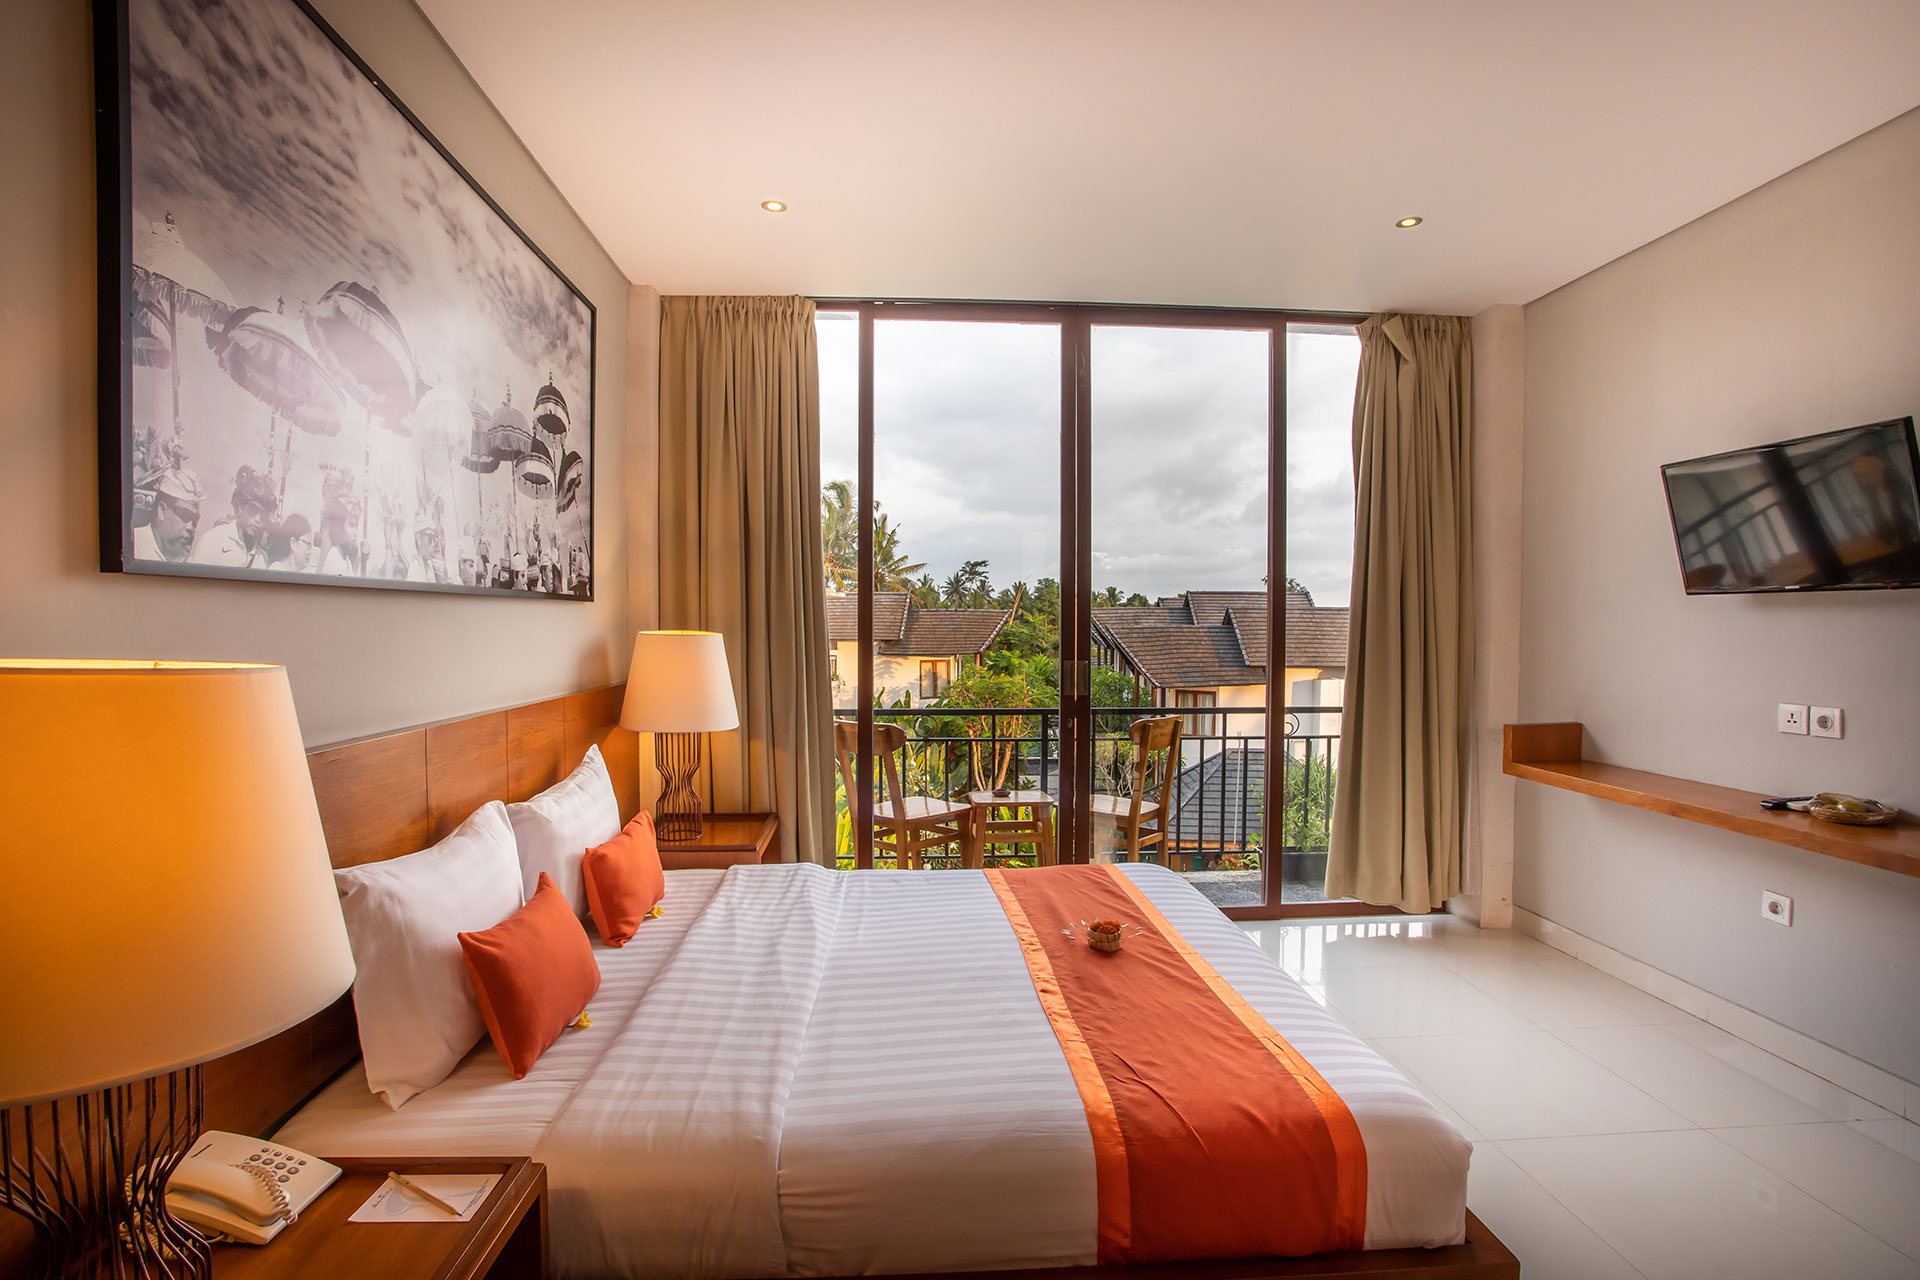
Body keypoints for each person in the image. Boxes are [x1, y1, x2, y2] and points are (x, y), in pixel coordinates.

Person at [191, 465, 277, 568]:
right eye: (253, 509)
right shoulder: (213, 540)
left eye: (263, 515)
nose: (258, 519)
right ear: (241, 505)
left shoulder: (262, 559)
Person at [132, 469, 202, 563]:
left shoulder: (190, 561)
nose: (190, 527)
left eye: (195, 520)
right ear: (162, 510)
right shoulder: (133, 546)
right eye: (184, 515)